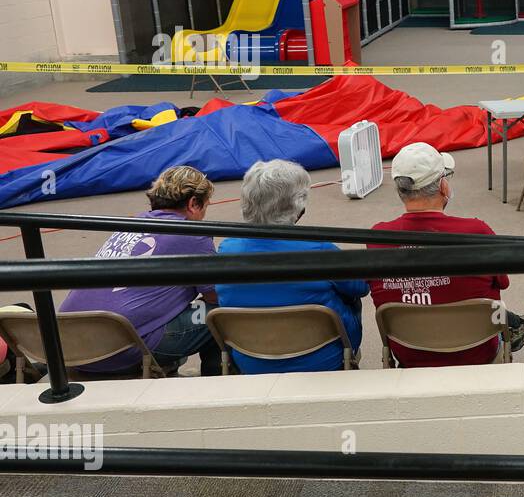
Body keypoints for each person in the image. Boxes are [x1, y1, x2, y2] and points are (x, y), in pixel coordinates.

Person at [368, 142, 524, 367]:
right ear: (443, 186)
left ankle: (515, 321)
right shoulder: (476, 231)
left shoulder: (378, 237)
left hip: (411, 353)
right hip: (477, 350)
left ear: (400, 191)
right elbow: (502, 282)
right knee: (496, 309)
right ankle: (516, 325)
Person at [59, 166, 221, 377]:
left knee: (160, 303)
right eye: (204, 208)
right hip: (119, 349)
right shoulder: (192, 233)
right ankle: (215, 382)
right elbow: (216, 295)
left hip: (70, 346)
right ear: (193, 204)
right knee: (220, 314)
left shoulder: (130, 225)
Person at [215, 160, 369, 373]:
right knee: (349, 296)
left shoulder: (226, 249)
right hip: (322, 359)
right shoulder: (318, 249)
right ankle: (350, 357)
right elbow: (360, 288)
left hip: (251, 359)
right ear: (298, 206)